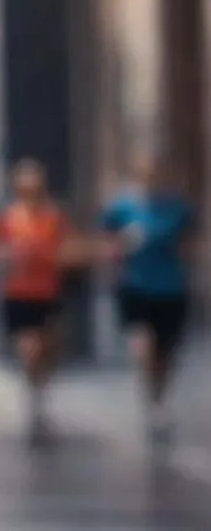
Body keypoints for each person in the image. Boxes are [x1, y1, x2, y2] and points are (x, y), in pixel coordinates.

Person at [99, 153, 196, 445]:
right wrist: (121, 248)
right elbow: (107, 243)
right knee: (143, 343)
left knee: (166, 351)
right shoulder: (121, 208)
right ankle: (150, 396)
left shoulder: (178, 209)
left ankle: (159, 398)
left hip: (170, 287)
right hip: (136, 286)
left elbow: (188, 245)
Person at [0, 159, 78, 441]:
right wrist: (8, 257)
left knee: (49, 349)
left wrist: (57, 257)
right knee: (30, 349)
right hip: (19, 293)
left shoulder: (54, 218)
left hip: (48, 292)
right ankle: (33, 399)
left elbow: (69, 249)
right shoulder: (7, 220)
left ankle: (41, 391)